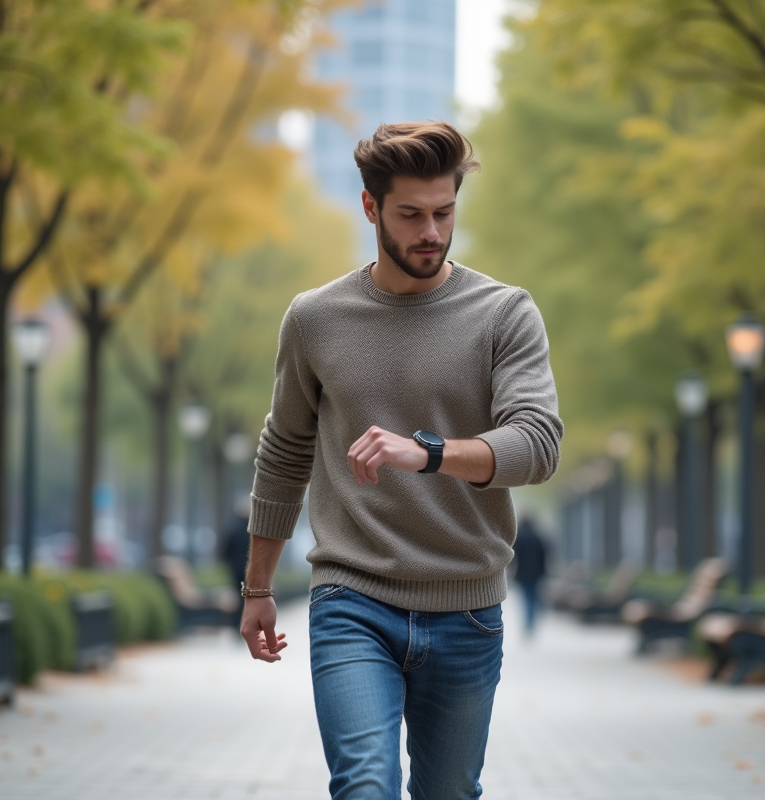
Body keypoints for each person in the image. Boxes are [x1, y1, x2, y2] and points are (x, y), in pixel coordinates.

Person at [239, 121, 563, 800]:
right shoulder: (314, 319)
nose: (431, 232)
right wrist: (258, 587)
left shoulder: (503, 313)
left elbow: (536, 443)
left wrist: (429, 453)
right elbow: (285, 451)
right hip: (352, 599)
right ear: (370, 208)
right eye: (411, 214)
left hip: (467, 606)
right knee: (364, 786)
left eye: (444, 212)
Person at [511, 516, 548, 637]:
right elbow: (544, 555)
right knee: (532, 596)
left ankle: (528, 622)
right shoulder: (537, 537)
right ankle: (530, 622)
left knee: (526, 597)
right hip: (536, 573)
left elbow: (513, 556)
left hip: (522, 573)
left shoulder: (520, 537)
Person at [221, 498, 251, 595]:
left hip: (236, 568)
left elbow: (226, 551)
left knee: (239, 594)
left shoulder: (233, 528)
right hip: (251, 568)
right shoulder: (253, 532)